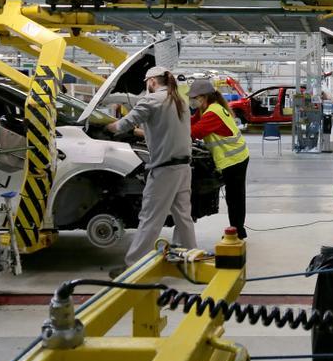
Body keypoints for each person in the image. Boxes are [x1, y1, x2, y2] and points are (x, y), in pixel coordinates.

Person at [107, 66, 196, 271]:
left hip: (164, 170)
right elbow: (162, 128)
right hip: (183, 167)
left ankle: (134, 265)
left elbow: (123, 125)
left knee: (150, 217)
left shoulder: (151, 100)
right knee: (183, 217)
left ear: (153, 82)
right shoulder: (179, 101)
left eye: (146, 83)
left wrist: (105, 126)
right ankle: (192, 259)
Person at [187, 78, 250, 239]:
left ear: (204, 96)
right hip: (235, 157)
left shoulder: (212, 112)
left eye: (194, 97)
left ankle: (237, 232)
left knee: (234, 197)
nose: (192, 100)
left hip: (235, 159)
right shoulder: (206, 109)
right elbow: (189, 124)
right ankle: (237, 229)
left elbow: (193, 133)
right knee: (234, 196)